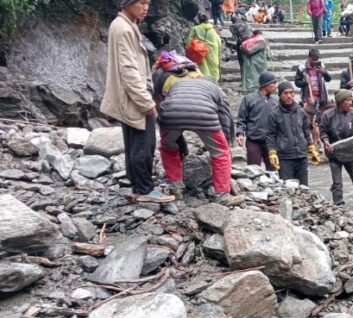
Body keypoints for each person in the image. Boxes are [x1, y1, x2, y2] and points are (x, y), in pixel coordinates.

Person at [101, 0, 174, 204]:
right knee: (144, 143)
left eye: (147, 3)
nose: (145, 7)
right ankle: (144, 189)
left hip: (131, 95)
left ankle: (136, 183)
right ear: (128, 3)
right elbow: (128, 71)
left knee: (134, 140)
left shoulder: (125, 24)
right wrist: (146, 102)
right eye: (141, 2)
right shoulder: (124, 28)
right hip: (133, 96)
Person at [152, 71, 244, 207]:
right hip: (203, 115)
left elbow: (165, 104)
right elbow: (225, 117)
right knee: (221, 153)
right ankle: (222, 196)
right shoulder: (216, 90)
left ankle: (176, 188)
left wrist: (165, 131)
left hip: (171, 114)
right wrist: (224, 140)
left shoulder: (178, 83)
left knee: (167, 147)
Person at [266, 82, 320, 185]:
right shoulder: (274, 114)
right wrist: (272, 152)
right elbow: (270, 135)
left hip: (301, 157)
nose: (289, 96)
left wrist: (311, 147)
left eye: (291, 92)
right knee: (289, 188)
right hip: (285, 158)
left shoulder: (301, 111)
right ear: (280, 95)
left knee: (304, 188)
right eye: (285, 93)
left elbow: (306, 131)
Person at [320, 89, 353, 207]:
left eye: (351, 100)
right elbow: (323, 132)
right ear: (340, 102)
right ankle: (338, 204)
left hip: (351, 153)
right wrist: (326, 143)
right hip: (334, 152)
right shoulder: (328, 115)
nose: (350, 103)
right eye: (347, 100)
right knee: (337, 183)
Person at [236, 71, 279, 169]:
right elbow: (242, 119)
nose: (276, 86)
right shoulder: (249, 99)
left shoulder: (276, 100)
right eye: (273, 83)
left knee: (273, 170)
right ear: (265, 84)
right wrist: (240, 134)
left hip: (271, 142)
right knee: (253, 170)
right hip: (253, 140)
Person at [186, 14, 222, 81]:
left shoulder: (195, 29)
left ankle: (204, 81)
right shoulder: (213, 29)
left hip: (200, 51)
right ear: (207, 20)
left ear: (199, 20)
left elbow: (189, 41)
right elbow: (218, 41)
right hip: (212, 51)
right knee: (213, 67)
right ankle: (214, 82)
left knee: (203, 67)